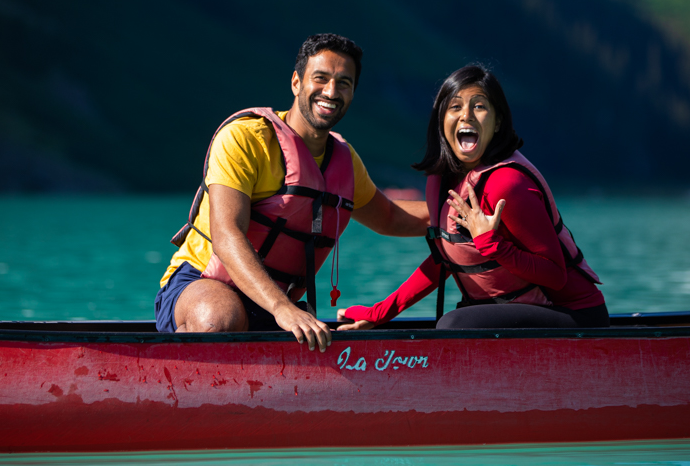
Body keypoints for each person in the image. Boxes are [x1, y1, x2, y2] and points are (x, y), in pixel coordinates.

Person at [155, 33, 429, 351]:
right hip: (202, 285)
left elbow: (392, 217)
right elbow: (227, 234)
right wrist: (283, 308)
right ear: (297, 82)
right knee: (219, 318)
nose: (331, 92)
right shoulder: (247, 138)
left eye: (344, 83)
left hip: (273, 306)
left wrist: (463, 211)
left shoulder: (344, 161)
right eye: (321, 78)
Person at [337, 64, 609, 330]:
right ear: (441, 120)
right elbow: (448, 258)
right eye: (455, 107)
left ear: (498, 121)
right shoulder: (444, 180)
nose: (466, 115)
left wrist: (492, 244)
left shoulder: (509, 184)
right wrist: (380, 313)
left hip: (575, 316)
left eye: (479, 106)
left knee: (454, 325)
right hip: (517, 311)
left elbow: (555, 274)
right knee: (459, 321)